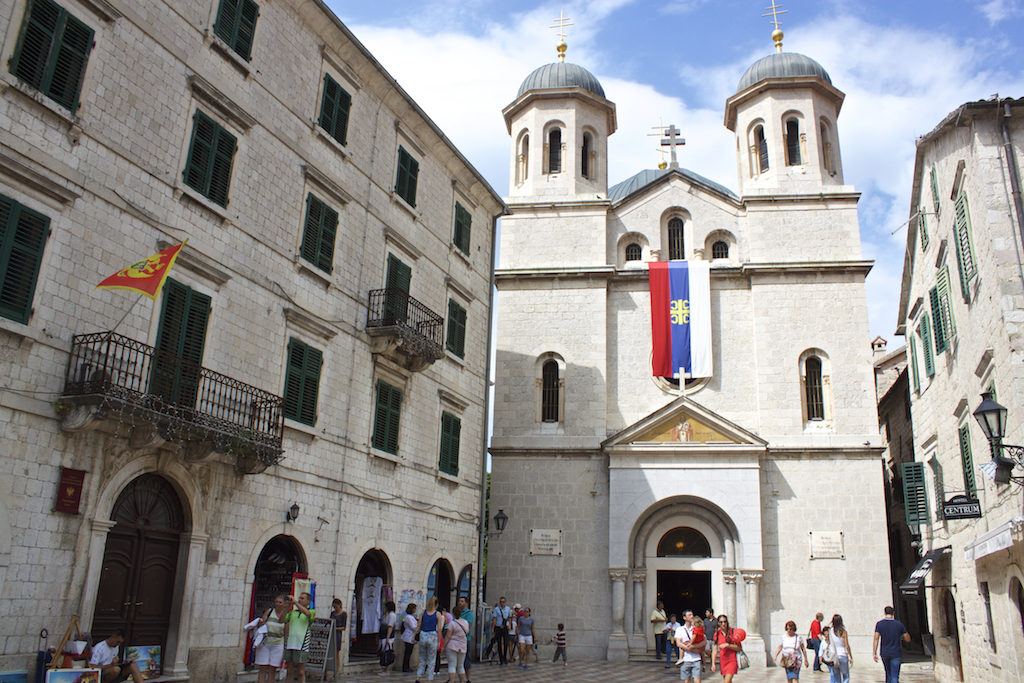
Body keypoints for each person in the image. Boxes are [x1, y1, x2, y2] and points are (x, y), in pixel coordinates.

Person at [255, 595, 288, 683]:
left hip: (278, 644)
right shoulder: (269, 611)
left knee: (272, 669)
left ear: (284, 604)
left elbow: (286, 631)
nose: (278, 604)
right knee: (262, 668)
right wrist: (261, 622)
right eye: (276, 602)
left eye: (280, 602)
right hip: (265, 643)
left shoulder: (286, 615)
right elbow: (261, 623)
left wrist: (285, 644)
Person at [873, 606, 910, 683]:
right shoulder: (899, 624)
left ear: (884, 613)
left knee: (888, 674)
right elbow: (908, 639)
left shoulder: (879, 624)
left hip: (885, 652)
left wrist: (874, 653)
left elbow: (876, 639)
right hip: (896, 652)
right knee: (895, 676)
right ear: (893, 613)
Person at [283, 592, 315, 683]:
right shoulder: (292, 612)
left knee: (301, 672)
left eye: (302, 598)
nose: (300, 600)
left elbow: (308, 614)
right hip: (290, 644)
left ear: (308, 601)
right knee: (289, 671)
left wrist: (296, 603)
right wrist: (286, 607)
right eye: (299, 598)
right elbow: (282, 620)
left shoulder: (312, 611)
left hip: (302, 645)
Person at [710, 613, 745, 683]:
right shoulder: (717, 634)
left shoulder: (733, 632)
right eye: (721, 622)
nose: (723, 624)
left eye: (725, 622)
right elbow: (714, 649)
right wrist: (713, 663)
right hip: (723, 660)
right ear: (718, 623)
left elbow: (739, 648)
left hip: (732, 660)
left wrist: (728, 645)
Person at [674, 610, 706, 683]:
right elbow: (678, 643)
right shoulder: (680, 629)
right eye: (689, 615)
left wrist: (693, 646)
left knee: (697, 680)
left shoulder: (697, 628)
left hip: (696, 658)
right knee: (687, 680)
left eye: (692, 615)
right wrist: (689, 648)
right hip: (685, 659)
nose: (692, 616)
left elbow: (704, 641)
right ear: (684, 618)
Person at [415, 596, 441, 682]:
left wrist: (414, 635)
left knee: (422, 659)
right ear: (436, 605)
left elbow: (418, 625)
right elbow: (439, 629)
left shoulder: (423, 612)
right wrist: (439, 641)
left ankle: (418, 677)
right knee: (431, 660)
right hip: (432, 636)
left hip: (423, 635)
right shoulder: (437, 614)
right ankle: (429, 680)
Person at [444, 605, 471, 683]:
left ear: (453, 613)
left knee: (452, 665)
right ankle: (461, 681)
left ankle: (451, 681)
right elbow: (467, 632)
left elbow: (448, 636)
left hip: (452, 645)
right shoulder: (465, 622)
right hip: (462, 645)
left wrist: (443, 646)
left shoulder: (452, 623)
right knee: (460, 665)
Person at [828, 614, 852, 683]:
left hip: (834, 655)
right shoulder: (843, 632)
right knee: (846, 675)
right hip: (843, 654)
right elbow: (847, 645)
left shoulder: (830, 631)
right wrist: (850, 656)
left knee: (836, 676)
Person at [455, 597, 474, 682]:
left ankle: (468, 678)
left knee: (466, 659)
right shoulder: (458, 613)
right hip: (456, 639)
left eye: (462, 601)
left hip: (465, 639)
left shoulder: (469, 613)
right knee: (455, 660)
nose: (460, 603)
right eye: (459, 601)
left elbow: (468, 627)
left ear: (466, 603)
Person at [490, 597, 512, 666]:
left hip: (505, 627)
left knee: (506, 643)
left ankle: (505, 657)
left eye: (503, 602)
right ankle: (501, 659)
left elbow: (510, 617)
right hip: (498, 627)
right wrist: (493, 629)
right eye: (501, 602)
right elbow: (494, 619)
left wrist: (510, 625)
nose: (502, 603)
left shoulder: (508, 609)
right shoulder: (496, 609)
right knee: (499, 643)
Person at [330, 598, 347, 681]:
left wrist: (335, 628)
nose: (335, 609)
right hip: (331, 634)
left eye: (336, 607)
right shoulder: (332, 613)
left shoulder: (343, 614)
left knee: (336, 653)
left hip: (337, 634)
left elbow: (344, 627)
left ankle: (336, 671)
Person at [379, 600, 397, 674]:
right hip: (383, 635)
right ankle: (384, 668)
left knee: (387, 652)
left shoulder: (392, 615)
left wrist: (387, 637)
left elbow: (390, 626)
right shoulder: (388, 615)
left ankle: (387, 669)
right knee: (383, 651)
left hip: (388, 636)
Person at [401, 603, 418, 673]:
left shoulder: (411, 617)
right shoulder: (408, 617)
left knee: (409, 652)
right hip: (408, 636)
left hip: (411, 636)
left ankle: (407, 666)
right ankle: (405, 667)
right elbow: (413, 627)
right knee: (407, 653)